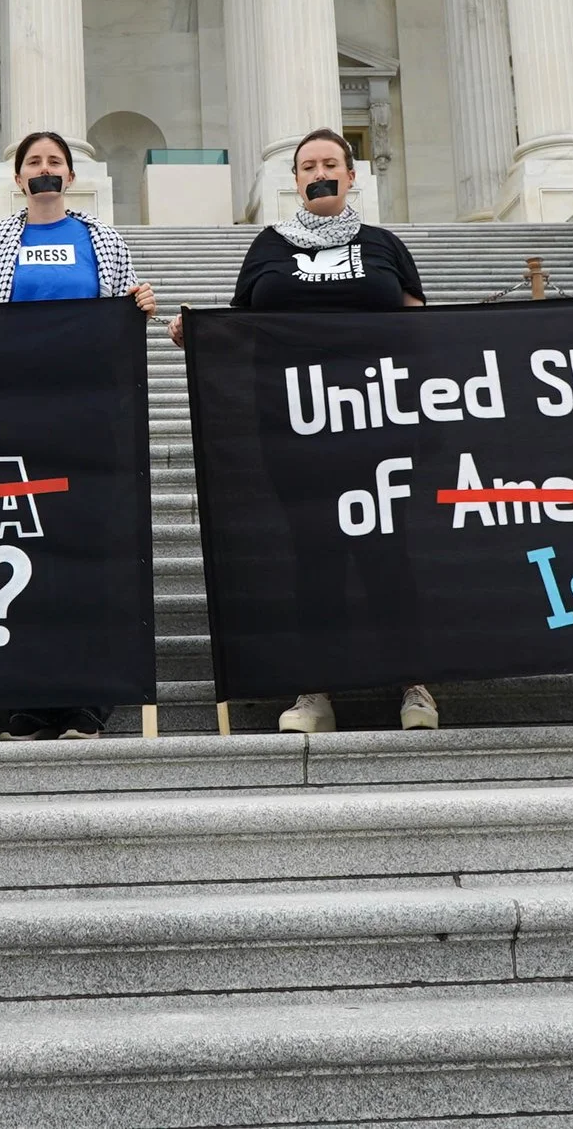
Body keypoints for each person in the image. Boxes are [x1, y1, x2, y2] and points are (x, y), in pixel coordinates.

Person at [167, 128, 436, 736]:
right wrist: (199, 330)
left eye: (331, 163)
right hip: (295, 426)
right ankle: (315, 689)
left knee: (388, 552)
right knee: (314, 556)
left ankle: (414, 682)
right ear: (294, 179)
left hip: (378, 423)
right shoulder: (267, 247)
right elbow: (242, 321)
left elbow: (421, 332)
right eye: (308, 164)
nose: (319, 172)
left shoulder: (384, 245)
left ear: (351, 175)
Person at [0, 130, 157, 740]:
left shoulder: (102, 240)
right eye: (33, 162)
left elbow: (123, 308)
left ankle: (90, 697)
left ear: (69, 175)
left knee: (89, 556)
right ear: (18, 179)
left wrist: (138, 304)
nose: (44, 170)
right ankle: (33, 695)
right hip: (14, 419)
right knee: (26, 557)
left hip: (90, 419)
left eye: (54, 162)